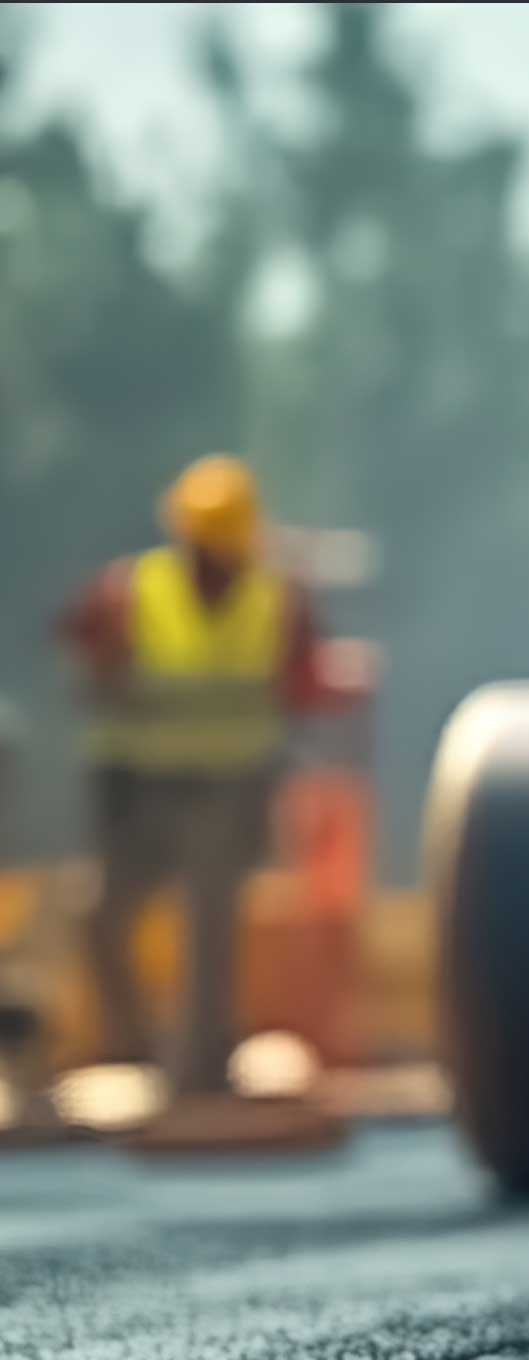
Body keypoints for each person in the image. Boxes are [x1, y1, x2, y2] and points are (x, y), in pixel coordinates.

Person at [53, 455, 329, 1120]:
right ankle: (139, 1046)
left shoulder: (272, 598)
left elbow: (300, 681)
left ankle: (198, 1071)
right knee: (99, 913)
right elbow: (87, 662)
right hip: (140, 789)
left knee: (210, 922)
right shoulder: (132, 592)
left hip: (227, 787)